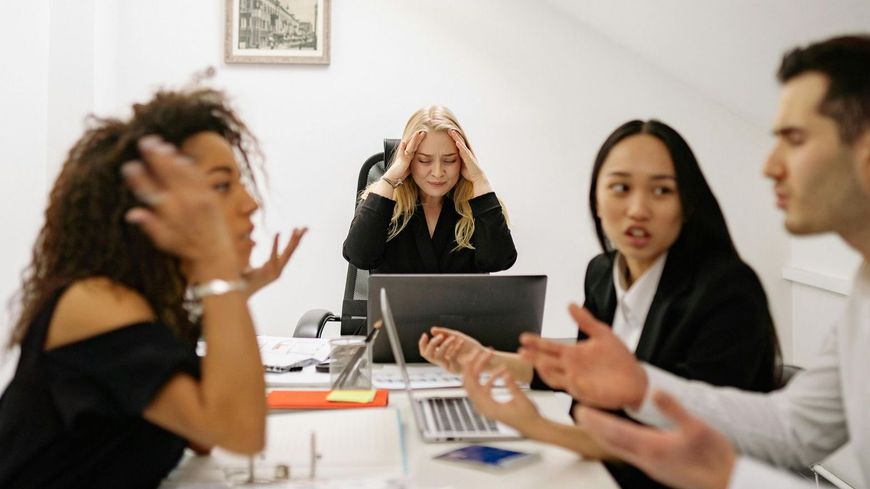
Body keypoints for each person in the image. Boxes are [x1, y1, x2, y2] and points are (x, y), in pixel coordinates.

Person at [519, 35, 870, 489]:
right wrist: (642, 388)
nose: (768, 166)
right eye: (620, 188)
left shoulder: (723, 287)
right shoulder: (863, 289)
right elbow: (793, 430)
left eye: (795, 139)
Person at [422, 120, 780, 486]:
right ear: (596, 199)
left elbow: (684, 450)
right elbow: (581, 377)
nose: (638, 209)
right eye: (621, 188)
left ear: (687, 204)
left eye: (661, 191)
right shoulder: (604, 273)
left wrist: (535, 426)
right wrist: (485, 358)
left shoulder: (726, 293)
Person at [0, 87, 307, 488]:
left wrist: (226, 295)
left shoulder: (153, 307)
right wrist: (219, 274)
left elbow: (201, 436)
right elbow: (240, 431)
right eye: (220, 186)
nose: (250, 203)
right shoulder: (94, 302)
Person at [342, 106, 517, 274]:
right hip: (396, 306)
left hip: (462, 306)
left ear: (463, 160)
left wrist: (480, 180)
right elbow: (359, 257)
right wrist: (389, 181)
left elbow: (499, 261)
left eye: (450, 160)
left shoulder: (479, 203)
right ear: (408, 159)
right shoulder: (382, 199)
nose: (438, 172)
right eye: (424, 161)